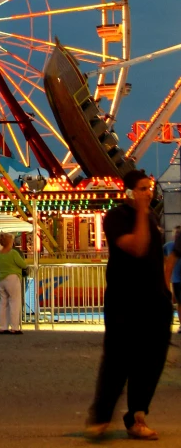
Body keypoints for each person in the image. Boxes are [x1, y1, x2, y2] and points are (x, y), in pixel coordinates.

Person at [86, 170, 173, 440]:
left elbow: (156, 258)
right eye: (143, 188)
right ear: (129, 192)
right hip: (124, 302)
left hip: (155, 302)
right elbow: (137, 247)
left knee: (151, 362)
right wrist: (140, 213)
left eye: (150, 187)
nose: (148, 192)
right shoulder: (116, 217)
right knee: (117, 360)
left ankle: (137, 416)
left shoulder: (152, 217)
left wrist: (166, 290)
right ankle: (100, 417)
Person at [0, 232, 28, 335]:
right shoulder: (13, 253)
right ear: (10, 241)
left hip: (2, 279)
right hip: (13, 278)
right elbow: (23, 264)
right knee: (14, 302)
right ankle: (14, 327)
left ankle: (3, 327)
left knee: (3, 303)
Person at [164, 224, 181, 333]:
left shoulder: (172, 246)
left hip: (176, 278)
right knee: (180, 302)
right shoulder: (169, 246)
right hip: (177, 279)